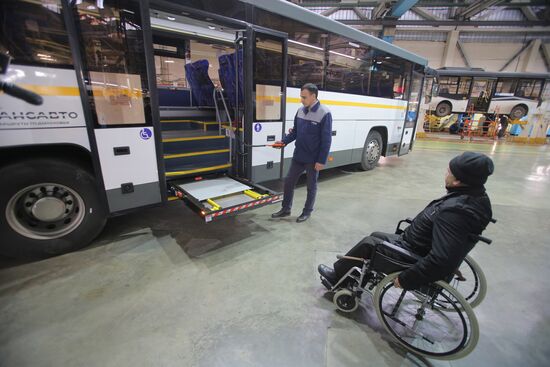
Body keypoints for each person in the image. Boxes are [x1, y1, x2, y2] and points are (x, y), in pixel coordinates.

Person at [318, 151, 494, 290]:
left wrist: (406, 279)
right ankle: (352, 278)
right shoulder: (478, 198)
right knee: (376, 235)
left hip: (413, 254)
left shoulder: (456, 212)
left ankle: (336, 276)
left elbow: (442, 259)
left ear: (458, 181)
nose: (445, 173)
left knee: (370, 243)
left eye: (449, 171)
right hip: (417, 245)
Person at [271, 83, 332, 223]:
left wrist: (321, 160)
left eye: (304, 97)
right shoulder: (300, 111)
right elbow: (295, 133)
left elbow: (326, 140)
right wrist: (283, 142)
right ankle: (286, 209)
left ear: (313, 96)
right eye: (301, 97)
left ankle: (307, 212)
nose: (301, 100)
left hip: (313, 159)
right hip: (299, 156)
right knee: (288, 182)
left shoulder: (324, 113)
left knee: (311, 187)